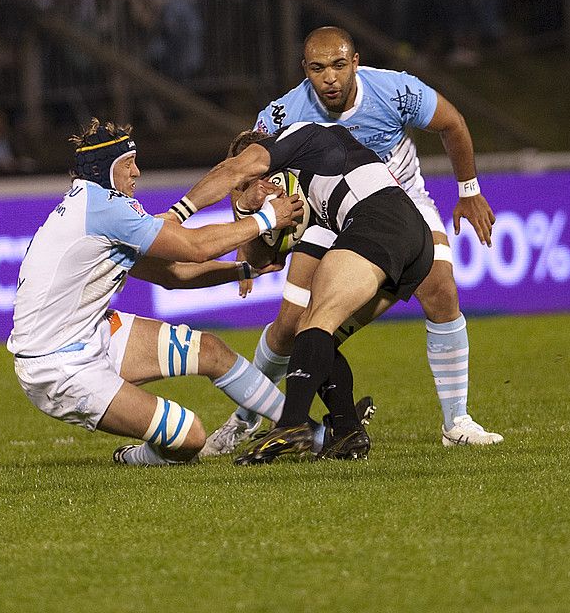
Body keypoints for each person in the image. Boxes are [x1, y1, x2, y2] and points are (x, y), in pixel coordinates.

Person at [202, 26, 501, 456]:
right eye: (319, 69)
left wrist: (469, 191)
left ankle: (456, 421)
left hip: (400, 204)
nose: (330, 78)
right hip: (326, 213)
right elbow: (250, 180)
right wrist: (244, 231)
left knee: (440, 289)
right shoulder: (280, 116)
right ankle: (246, 421)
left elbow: (452, 123)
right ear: (305, 71)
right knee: (290, 326)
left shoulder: (395, 91)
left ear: (355, 62)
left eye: (340, 66)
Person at [8, 119, 307, 466]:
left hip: (90, 333)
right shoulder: (103, 208)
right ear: (105, 170)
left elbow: (175, 275)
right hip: (58, 366)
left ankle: (300, 428)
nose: (137, 172)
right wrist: (266, 218)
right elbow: (194, 248)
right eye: (127, 164)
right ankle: (133, 458)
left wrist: (245, 269)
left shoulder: (94, 208)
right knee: (191, 437)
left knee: (210, 350)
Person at [175, 120, 435, 464]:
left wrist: (178, 214)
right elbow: (266, 260)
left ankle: (292, 423)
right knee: (312, 337)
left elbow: (232, 170)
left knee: (316, 323)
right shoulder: (312, 195)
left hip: (379, 219)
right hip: (412, 243)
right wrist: (247, 209)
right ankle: (347, 432)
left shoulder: (302, 136)